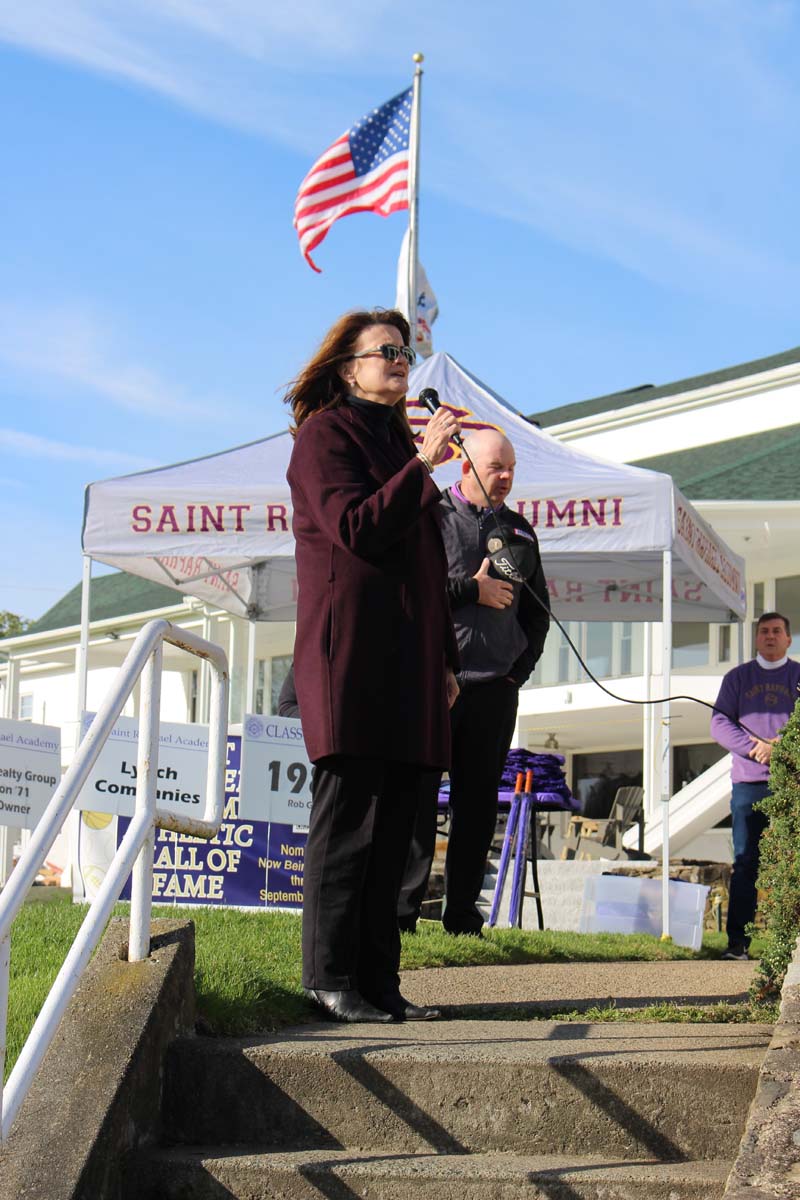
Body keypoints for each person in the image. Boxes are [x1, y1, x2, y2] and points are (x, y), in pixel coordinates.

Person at [286, 308, 460, 1022]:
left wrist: (446, 659)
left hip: (411, 662)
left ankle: (380, 984)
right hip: (352, 656)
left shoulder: (394, 440)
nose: (400, 361)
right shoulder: (325, 437)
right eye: (386, 351)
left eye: (405, 351)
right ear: (347, 368)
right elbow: (355, 528)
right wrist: (423, 466)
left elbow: (427, 565)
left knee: (397, 833)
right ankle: (329, 977)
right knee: (350, 826)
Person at [398, 430, 550, 936]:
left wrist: (515, 674)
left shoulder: (520, 531)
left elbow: (538, 613)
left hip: (493, 689)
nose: (505, 477)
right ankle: (401, 915)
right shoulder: (431, 516)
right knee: (418, 800)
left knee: (478, 804)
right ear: (465, 466)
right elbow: (409, 592)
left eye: (511, 469)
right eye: (495, 468)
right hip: (433, 682)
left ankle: (462, 915)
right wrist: (471, 590)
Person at [710, 612, 800, 960]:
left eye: (777, 631)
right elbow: (719, 723)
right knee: (746, 862)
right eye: (764, 631)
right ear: (756, 638)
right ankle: (738, 945)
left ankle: (792, 946)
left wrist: (781, 746)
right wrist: (754, 748)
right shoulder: (737, 678)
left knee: (794, 862)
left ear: (788, 638)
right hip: (749, 783)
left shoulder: (797, 675)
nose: (770, 636)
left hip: (792, 782)